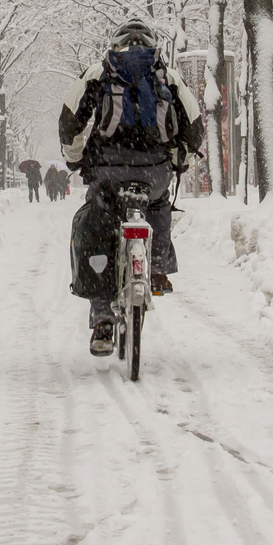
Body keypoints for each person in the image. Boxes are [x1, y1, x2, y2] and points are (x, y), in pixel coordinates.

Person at [59, 18, 204, 355]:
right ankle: (158, 268)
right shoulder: (167, 76)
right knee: (159, 203)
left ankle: (102, 317)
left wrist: (75, 158)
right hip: (155, 170)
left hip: (109, 169)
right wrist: (180, 160)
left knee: (98, 220)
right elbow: (194, 124)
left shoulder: (99, 73)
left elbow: (70, 121)